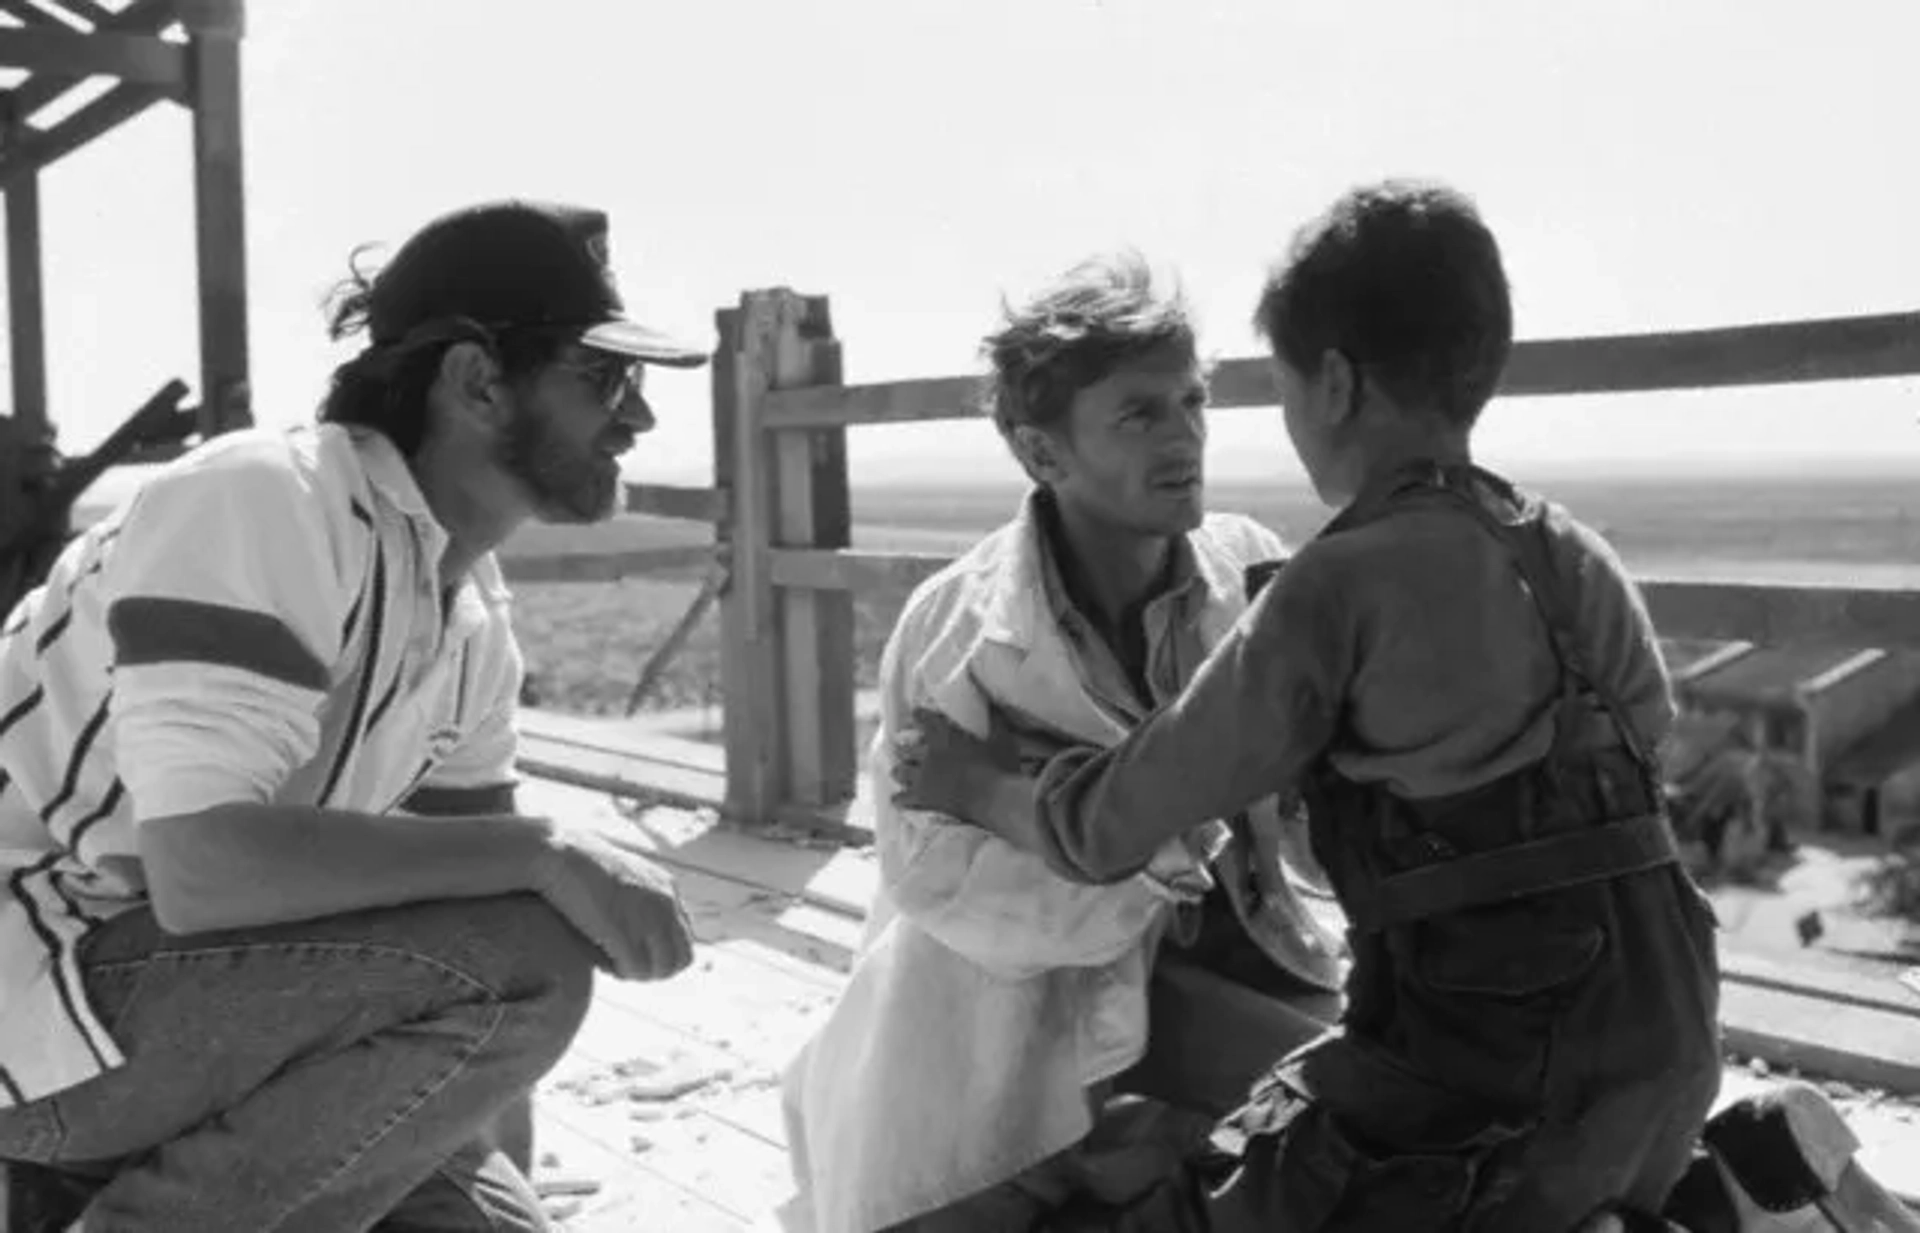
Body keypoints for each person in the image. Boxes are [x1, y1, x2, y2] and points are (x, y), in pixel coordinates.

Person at [892, 181, 1725, 1229]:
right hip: (1674, 1053)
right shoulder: (1574, 551)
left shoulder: (1330, 586)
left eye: (1246, 392)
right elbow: (1637, 758)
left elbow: (1105, 827)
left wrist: (978, 781)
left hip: (1473, 1091)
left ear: (1332, 385)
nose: (1206, 430)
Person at [0, 200, 705, 1233]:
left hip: (191, 1015)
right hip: (45, 1012)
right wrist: (546, 846)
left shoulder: (468, 613)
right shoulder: (266, 495)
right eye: (602, 379)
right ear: (475, 380)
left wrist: (490, 1183)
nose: (636, 419)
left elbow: (477, 938)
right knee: (529, 942)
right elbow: (207, 873)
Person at [778, 251, 1347, 1233]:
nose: (1184, 438)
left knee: (1364, 1120)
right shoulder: (956, 627)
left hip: (1247, 957)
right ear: (1045, 455)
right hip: (1023, 992)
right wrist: (1147, 870)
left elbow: (1311, 797)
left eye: (1192, 403)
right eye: (1139, 414)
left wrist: (1042, 796)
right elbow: (931, 871)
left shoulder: (1252, 567)